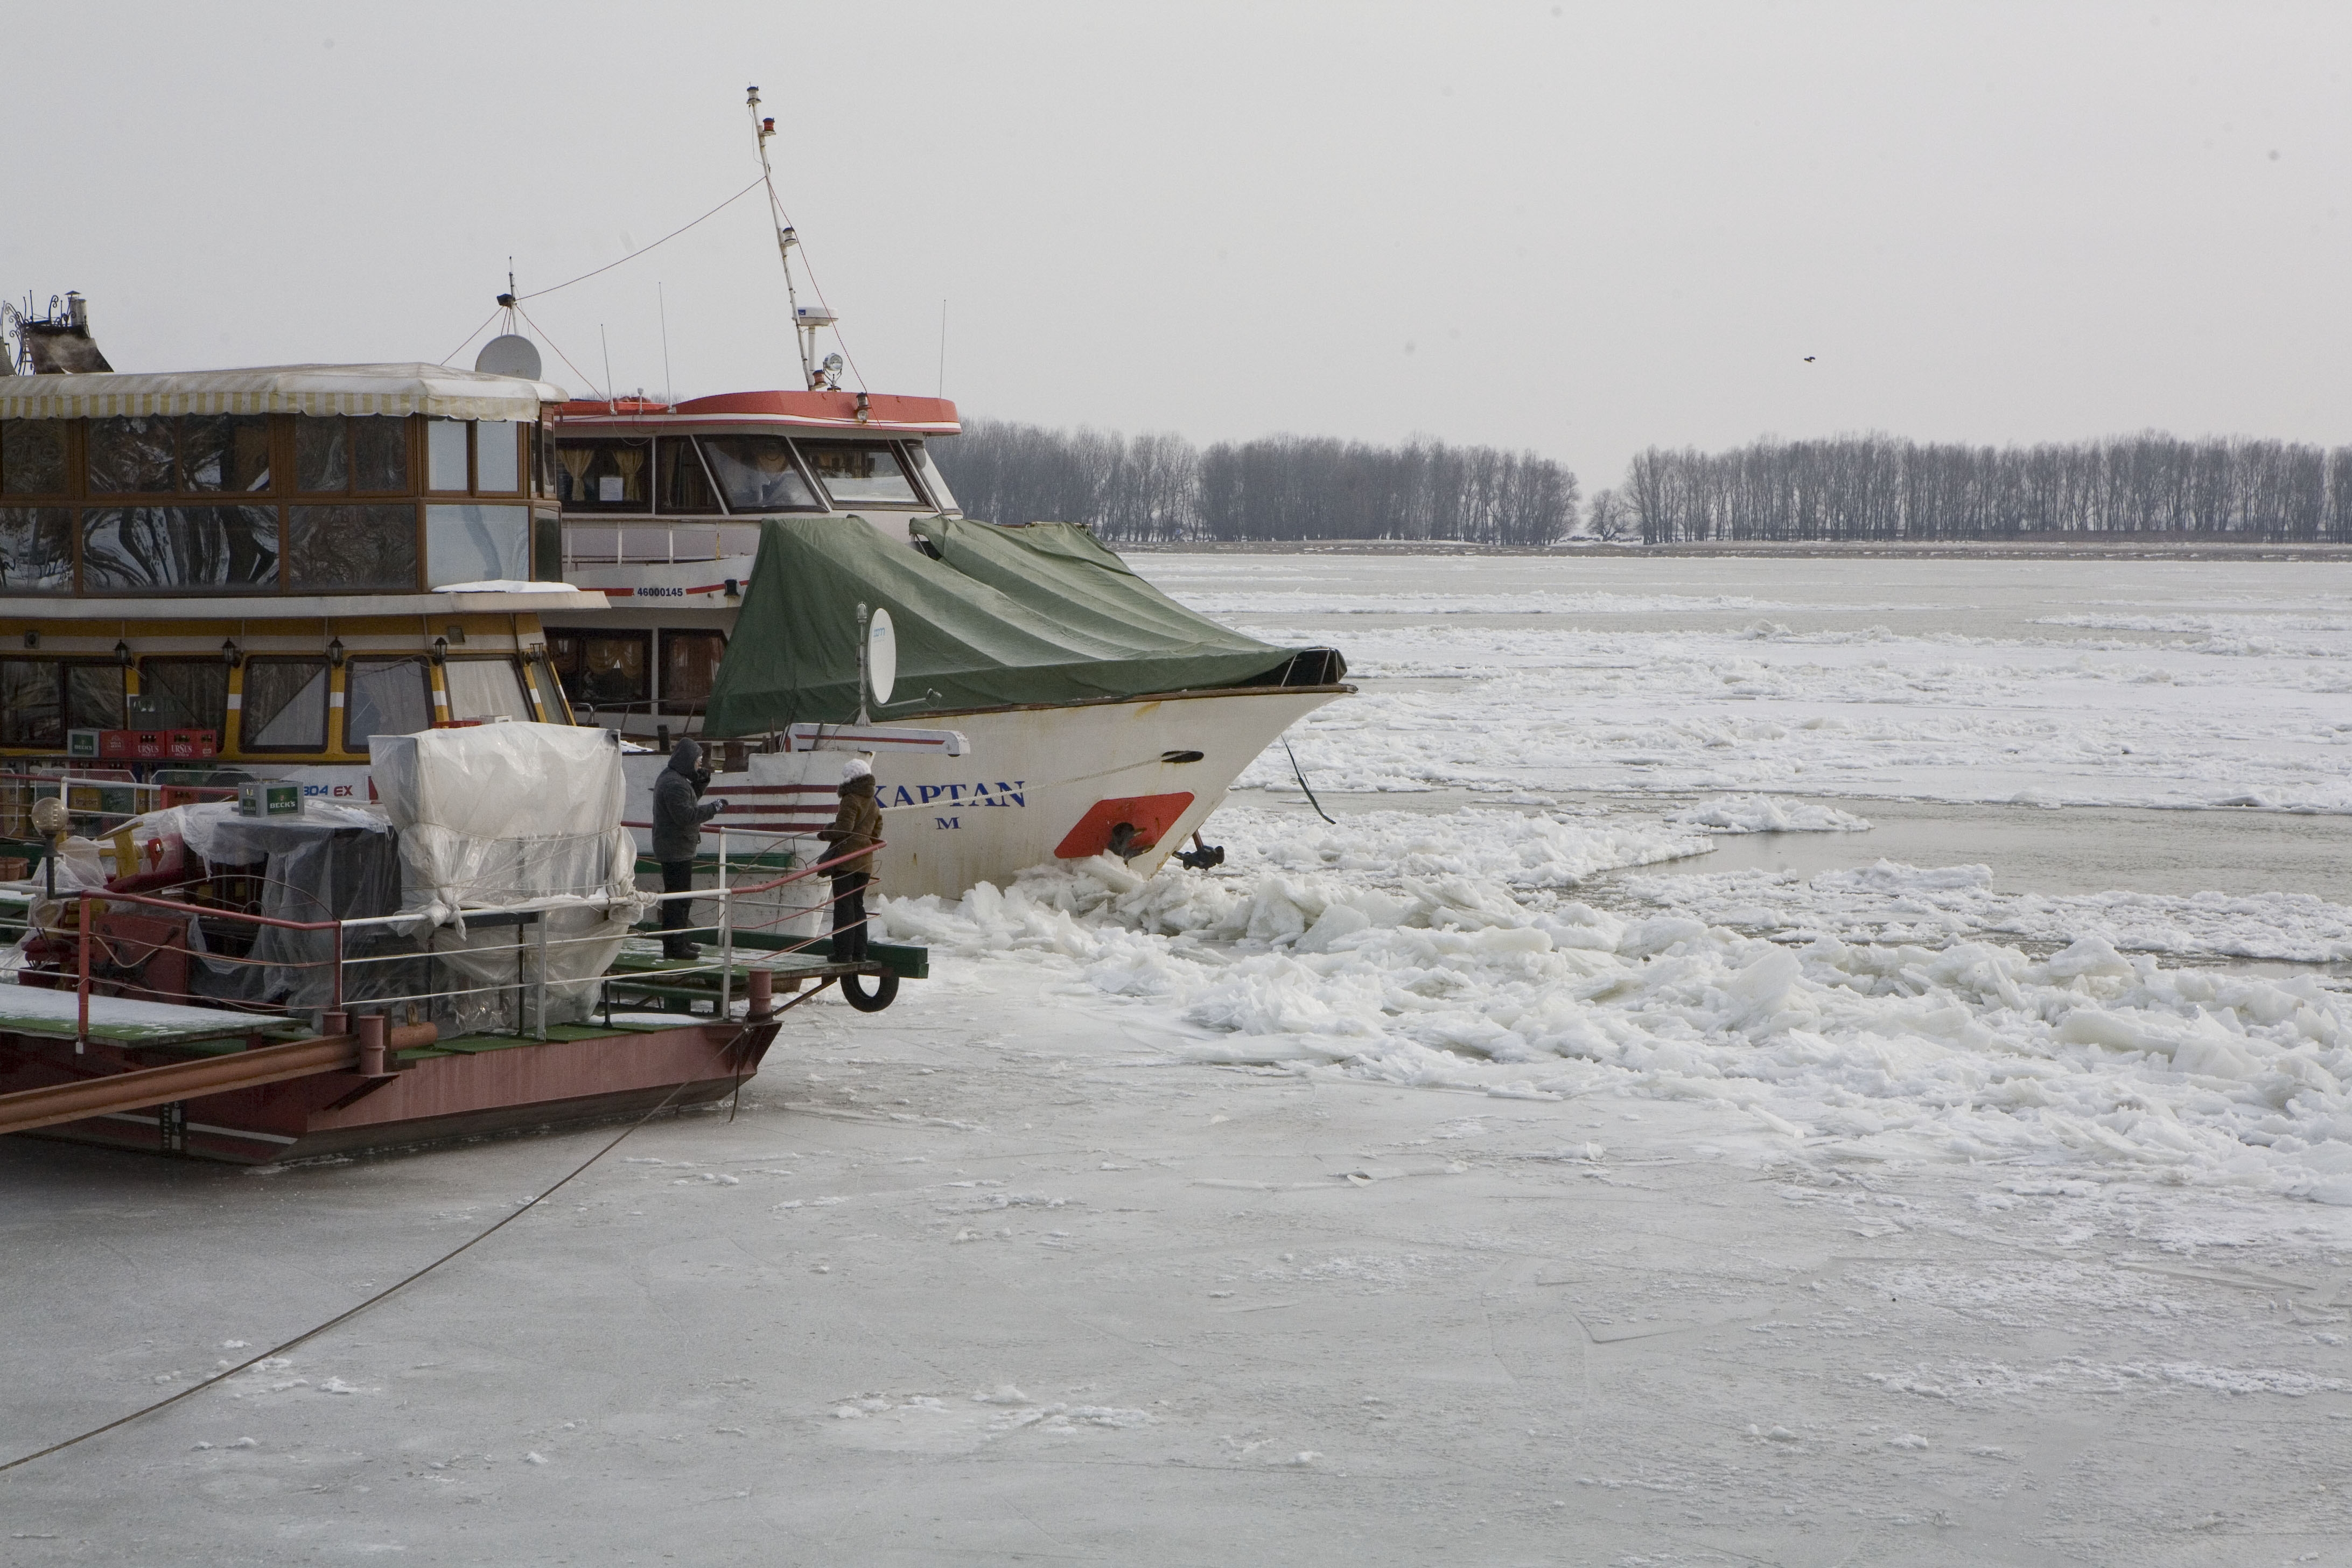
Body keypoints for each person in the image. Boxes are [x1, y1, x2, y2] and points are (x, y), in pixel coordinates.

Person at [652, 738, 726, 961]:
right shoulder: (674, 784)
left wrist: (700, 785)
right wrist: (714, 808)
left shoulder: (674, 779)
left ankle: (680, 940)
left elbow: (687, 802)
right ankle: (674, 946)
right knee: (678, 899)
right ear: (688, 760)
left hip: (677, 847)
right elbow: (686, 816)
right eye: (698, 761)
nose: (700, 765)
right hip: (675, 849)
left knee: (683, 898)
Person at [815, 757, 882, 963]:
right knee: (858, 906)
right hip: (864, 863)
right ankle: (860, 953)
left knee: (844, 907)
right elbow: (877, 830)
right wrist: (863, 845)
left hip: (846, 863)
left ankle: (843, 953)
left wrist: (825, 832)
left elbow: (844, 829)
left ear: (851, 779)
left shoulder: (851, 799)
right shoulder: (873, 801)